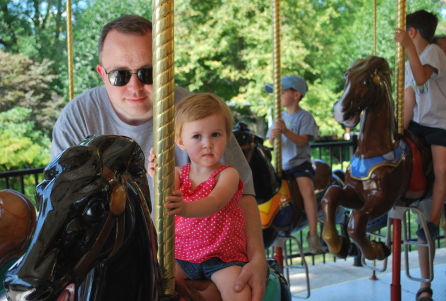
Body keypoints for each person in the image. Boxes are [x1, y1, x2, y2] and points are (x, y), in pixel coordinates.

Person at [50, 15, 266, 300]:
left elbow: (244, 193)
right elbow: (61, 205)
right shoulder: (77, 118)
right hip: (108, 256)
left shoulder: (196, 113)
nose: (135, 87)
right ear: (102, 74)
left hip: (198, 251)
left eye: (147, 73)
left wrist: (257, 258)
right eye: (119, 75)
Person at [148, 93, 251, 301]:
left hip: (221, 258)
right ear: (180, 142)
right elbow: (167, 197)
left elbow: (214, 202)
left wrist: (185, 208)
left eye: (215, 134)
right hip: (183, 256)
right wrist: (157, 173)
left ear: (227, 136)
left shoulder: (227, 174)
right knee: (150, 282)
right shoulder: (177, 173)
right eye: (197, 136)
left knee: (238, 293)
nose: (207, 144)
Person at [394, 10, 446, 301]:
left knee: (441, 170)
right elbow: (409, 97)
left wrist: (409, 48)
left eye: (406, 32)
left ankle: (433, 219)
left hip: (439, 124)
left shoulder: (434, 53)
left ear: (413, 32)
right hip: (417, 123)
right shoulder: (410, 58)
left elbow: (423, 76)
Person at [265, 75, 323, 254]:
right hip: (281, 165)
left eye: (282, 93)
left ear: (296, 95)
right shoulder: (279, 117)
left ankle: (313, 235)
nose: (278, 97)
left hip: (299, 164)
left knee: (307, 193)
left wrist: (285, 131)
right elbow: (271, 141)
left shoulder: (304, 117)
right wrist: (274, 135)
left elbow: (301, 141)